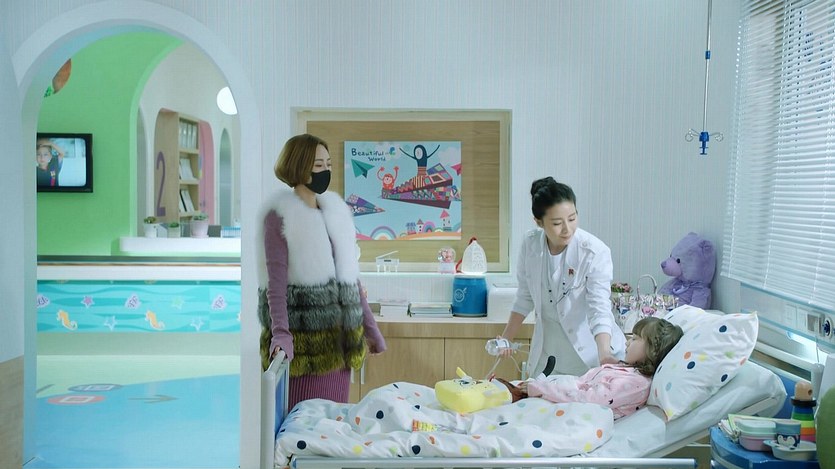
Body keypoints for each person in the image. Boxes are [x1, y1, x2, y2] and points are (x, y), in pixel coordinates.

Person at [258, 133, 386, 409]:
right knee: (302, 422)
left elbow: (350, 279)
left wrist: (370, 328)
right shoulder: (280, 218)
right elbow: (275, 285)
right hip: (306, 348)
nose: (325, 171)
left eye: (328, 164)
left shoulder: (335, 214)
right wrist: (281, 334)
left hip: (341, 347)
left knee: (334, 421)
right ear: (298, 166)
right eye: (318, 165)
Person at [498, 177, 626, 377]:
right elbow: (525, 296)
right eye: (557, 223)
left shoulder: (594, 251)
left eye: (572, 219)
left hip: (591, 354)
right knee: (539, 394)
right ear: (539, 222)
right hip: (549, 355)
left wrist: (604, 354)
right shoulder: (530, 245)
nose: (567, 229)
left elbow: (599, 307)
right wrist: (506, 338)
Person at [497, 316, 684, 419]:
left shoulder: (635, 383)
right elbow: (582, 385)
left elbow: (587, 398)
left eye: (635, 339)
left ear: (652, 349)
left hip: (580, 419)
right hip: (566, 405)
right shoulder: (624, 371)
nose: (627, 342)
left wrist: (542, 389)